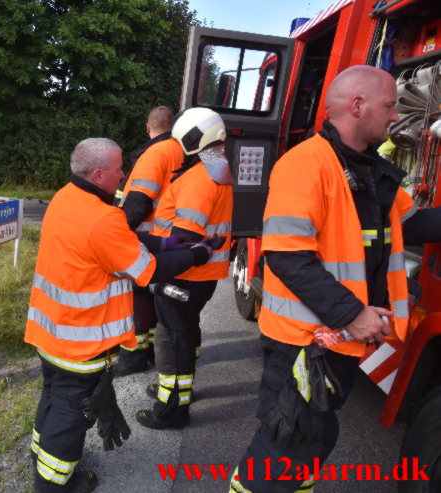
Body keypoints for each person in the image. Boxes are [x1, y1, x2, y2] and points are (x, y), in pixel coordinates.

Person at [229, 65, 441, 493]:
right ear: (356, 105)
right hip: (305, 341)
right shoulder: (306, 165)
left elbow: (414, 225)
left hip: (338, 338)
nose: (396, 115)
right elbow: (288, 257)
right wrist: (353, 312)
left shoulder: (369, 171)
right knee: (286, 442)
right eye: (389, 105)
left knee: (314, 437)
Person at [25, 137, 221, 492]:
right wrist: (198, 255)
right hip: (81, 342)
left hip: (51, 331)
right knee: (73, 413)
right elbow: (150, 270)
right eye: (119, 168)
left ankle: (41, 455)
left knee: (53, 395)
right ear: (99, 173)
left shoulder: (67, 197)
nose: (124, 174)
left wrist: (165, 241)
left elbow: (119, 241)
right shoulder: (102, 218)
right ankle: (54, 484)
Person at [135, 107, 233, 430]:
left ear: (193, 139)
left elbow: (183, 238)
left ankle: (172, 408)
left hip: (184, 275)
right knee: (185, 333)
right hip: (200, 277)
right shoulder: (216, 168)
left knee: (173, 339)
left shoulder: (200, 178)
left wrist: (137, 239)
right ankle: (175, 390)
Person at [114, 105, 178, 377]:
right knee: (157, 296)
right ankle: (152, 351)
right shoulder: (181, 151)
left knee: (138, 294)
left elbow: (138, 202)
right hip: (173, 240)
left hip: (146, 237)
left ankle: (134, 355)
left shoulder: (154, 155)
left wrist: (115, 231)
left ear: (147, 127)